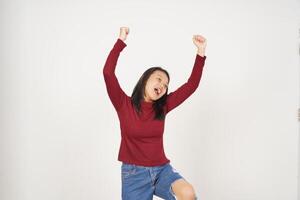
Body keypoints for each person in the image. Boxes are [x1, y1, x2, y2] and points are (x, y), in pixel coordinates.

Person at [103, 27, 207, 200]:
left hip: (162, 170)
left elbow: (191, 85)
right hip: (134, 175)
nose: (163, 86)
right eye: (159, 79)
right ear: (146, 79)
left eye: (166, 85)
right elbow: (108, 73)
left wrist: (201, 52)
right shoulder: (123, 104)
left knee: (188, 193)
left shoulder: (163, 106)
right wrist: (120, 41)